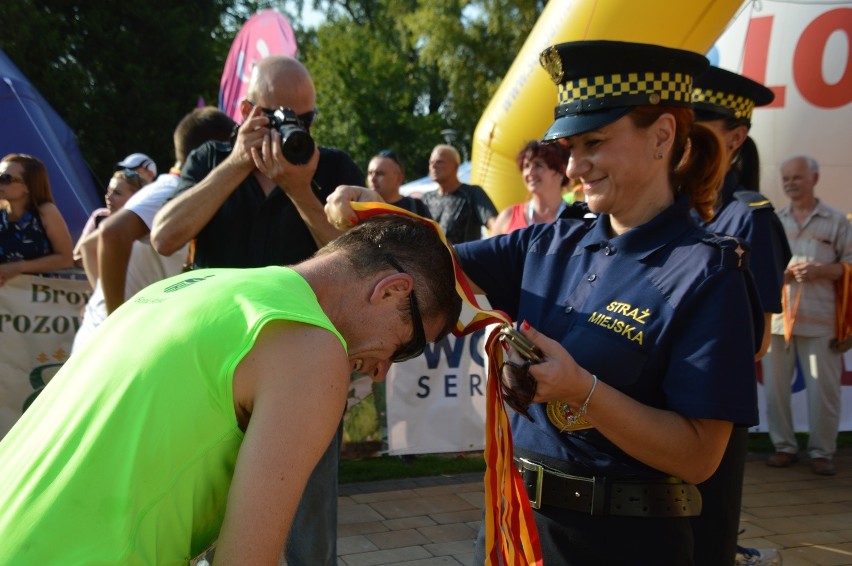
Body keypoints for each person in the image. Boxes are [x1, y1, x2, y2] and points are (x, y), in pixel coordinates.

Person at [326, 39, 763, 565]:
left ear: (663, 136)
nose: (576, 166)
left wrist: (583, 390)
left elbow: (698, 455)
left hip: (626, 545)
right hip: (520, 532)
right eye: (571, 148)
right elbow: (419, 268)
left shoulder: (707, 272)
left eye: (594, 143)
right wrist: (362, 213)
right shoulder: (548, 243)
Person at [0, 214, 463, 564]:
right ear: (392, 290)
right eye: (406, 346)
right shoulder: (310, 347)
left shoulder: (187, 286)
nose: (383, 371)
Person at [150, 55, 364, 565]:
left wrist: (298, 189)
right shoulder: (211, 158)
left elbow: (362, 261)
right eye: (281, 115)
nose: (296, 129)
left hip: (304, 367)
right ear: (248, 110)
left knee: (307, 530)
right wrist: (235, 164)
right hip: (215, 366)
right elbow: (165, 235)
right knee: (202, 514)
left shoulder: (329, 167)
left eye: (306, 119)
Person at [690, 66, 790, 566]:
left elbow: (758, 340)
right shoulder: (677, 210)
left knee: (709, 534)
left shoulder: (751, 214)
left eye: (699, 128)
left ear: (736, 137)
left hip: (712, 408)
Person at [71, 108, 236, 352]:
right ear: (209, 152)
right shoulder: (171, 190)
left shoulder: (169, 187)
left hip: (106, 339)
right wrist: (115, 318)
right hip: (110, 345)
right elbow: (110, 233)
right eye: (227, 152)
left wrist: (102, 300)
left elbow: (91, 245)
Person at [762, 155, 852, 477]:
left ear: (814, 178)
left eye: (797, 177)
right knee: (774, 392)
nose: (790, 183)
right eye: (786, 178)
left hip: (820, 321)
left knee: (823, 391)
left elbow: (851, 264)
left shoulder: (837, 220)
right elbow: (759, 265)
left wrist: (820, 270)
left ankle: (823, 452)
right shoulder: (774, 220)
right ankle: (784, 447)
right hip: (778, 319)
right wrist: (779, 273)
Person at [0, 153, 73, 285]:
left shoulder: (46, 212)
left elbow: (66, 258)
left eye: (5, 178)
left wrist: (20, 267)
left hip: (38, 298)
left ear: (28, 186)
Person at [73, 169, 148, 276]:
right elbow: (77, 255)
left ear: (136, 198)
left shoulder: (146, 223)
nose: (108, 197)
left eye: (117, 193)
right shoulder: (100, 216)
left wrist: (93, 258)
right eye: (108, 191)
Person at [421, 144, 497, 243]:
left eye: (439, 162)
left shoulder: (472, 193)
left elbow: (496, 225)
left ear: (455, 166)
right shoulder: (426, 199)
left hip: (464, 257)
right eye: (431, 162)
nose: (433, 166)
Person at [491, 140, 569, 235]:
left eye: (538, 165)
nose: (530, 173)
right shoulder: (507, 218)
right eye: (526, 166)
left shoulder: (577, 218)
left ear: (561, 170)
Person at [366, 149, 431, 217]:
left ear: (399, 178)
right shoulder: (362, 208)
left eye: (380, 173)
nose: (372, 179)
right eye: (370, 173)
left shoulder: (416, 207)